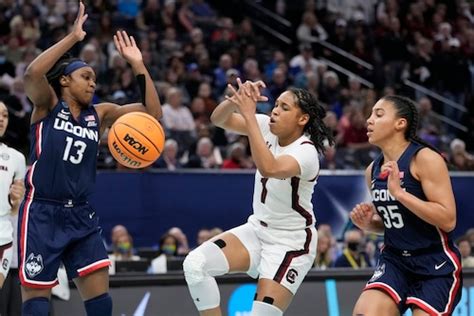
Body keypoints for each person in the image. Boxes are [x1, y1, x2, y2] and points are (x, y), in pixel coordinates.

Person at [18, 2, 162, 315]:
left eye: (95, 78)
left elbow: (153, 114)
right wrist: (72, 38)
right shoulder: (47, 105)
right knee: (36, 304)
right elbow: (32, 73)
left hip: (81, 214)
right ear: (65, 81)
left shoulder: (101, 113)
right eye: (86, 76)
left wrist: (138, 64)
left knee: (100, 303)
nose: (93, 83)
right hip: (42, 210)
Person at [183, 78, 334, 315]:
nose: (275, 110)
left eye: (285, 108)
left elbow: (269, 168)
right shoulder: (264, 125)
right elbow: (218, 119)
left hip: (291, 242)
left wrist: (250, 116)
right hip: (256, 230)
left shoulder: (306, 152)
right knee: (195, 265)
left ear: (302, 119)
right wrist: (235, 101)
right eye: (276, 104)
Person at [350, 95, 462, 315]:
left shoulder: (425, 159)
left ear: (400, 123)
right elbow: (396, 222)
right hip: (395, 260)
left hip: (435, 263)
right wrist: (369, 224)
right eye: (371, 114)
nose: (369, 120)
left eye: (379, 114)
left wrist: (400, 194)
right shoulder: (372, 170)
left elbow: (448, 220)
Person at [0, 101, 26, 315]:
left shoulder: (16, 158)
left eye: (5, 115)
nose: (1, 119)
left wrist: (15, 203)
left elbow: (15, 212)